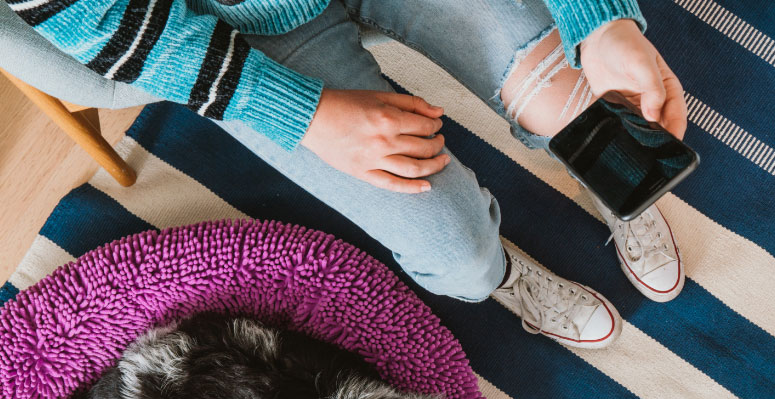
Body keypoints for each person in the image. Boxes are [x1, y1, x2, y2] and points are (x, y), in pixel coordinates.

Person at [7, 0, 688, 349]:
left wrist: (597, 21)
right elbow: (102, 22)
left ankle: (612, 176)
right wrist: (301, 115)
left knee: (576, 100)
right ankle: (505, 276)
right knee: (457, 256)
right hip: (240, 37)